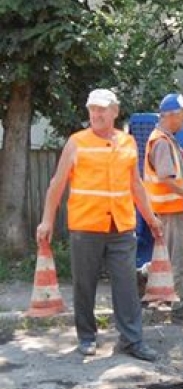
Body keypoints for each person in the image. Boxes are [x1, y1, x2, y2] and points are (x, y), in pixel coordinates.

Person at [37, 88, 163, 361]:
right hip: (86, 227)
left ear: (115, 112)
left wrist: (151, 218)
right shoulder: (76, 142)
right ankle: (86, 337)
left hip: (121, 227)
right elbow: (56, 185)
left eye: (102, 109)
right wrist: (47, 220)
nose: (96, 114)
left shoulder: (127, 143)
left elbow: (136, 186)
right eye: (92, 109)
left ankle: (132, 340)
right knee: (85, 284)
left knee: (127, 285)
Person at [143, 93, 183, 327]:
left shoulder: (168, 140)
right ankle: (179, 309)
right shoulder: (161, 142)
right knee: (182, 258)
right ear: (170, 116)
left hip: (170, 210)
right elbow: (166, 179)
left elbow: (173, 172)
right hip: (172, 211)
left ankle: (144, 281)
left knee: (170, 259)